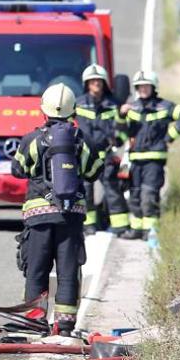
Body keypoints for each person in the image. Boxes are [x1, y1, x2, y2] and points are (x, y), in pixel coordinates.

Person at [10, 82, 104, 334]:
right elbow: (95, 171)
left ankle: (34, 320)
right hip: (71, 217)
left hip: (38, 217)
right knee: (67, 271)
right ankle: (64, 325)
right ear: (73, 111)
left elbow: (17, 170)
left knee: (37, 269)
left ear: (44, 110)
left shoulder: (33, 139)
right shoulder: (82, 141)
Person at [119, 69, 180, 241]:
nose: (143, 89)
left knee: (149, 196)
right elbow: (121, 135)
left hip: (154, 161)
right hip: (135, 160)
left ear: (153, 87)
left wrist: (168, 137)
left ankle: (150, 232)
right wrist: (121, 116)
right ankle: (136, 229)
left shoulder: (164, 106)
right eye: (140, 86)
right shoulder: (132, 107)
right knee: (134, 196)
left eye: (146, 86)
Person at [74, 64, 128, 236]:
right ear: (87, 84)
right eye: (92, 81)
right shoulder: (78, 103)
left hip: (106, 155)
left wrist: (119, 140)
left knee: (113, 190)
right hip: (85, 155)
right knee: (85, 190)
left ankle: (120, 226)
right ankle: (88, 225)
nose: (96, 83)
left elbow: (124, 130)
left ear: (104, 83)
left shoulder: (114, 105)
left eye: (99, 81)